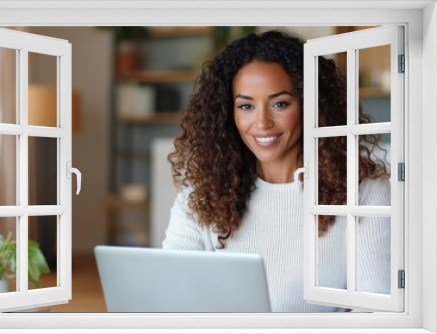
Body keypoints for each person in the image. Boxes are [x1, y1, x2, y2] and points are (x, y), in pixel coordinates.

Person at [162, 30, 391, 312]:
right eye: (246, 106)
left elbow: (374, 310)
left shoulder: (363, 192)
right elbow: (172, 295)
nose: (262, 122)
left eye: (279, 103)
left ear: (311, 105)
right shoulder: (202, 194)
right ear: (228, 114)